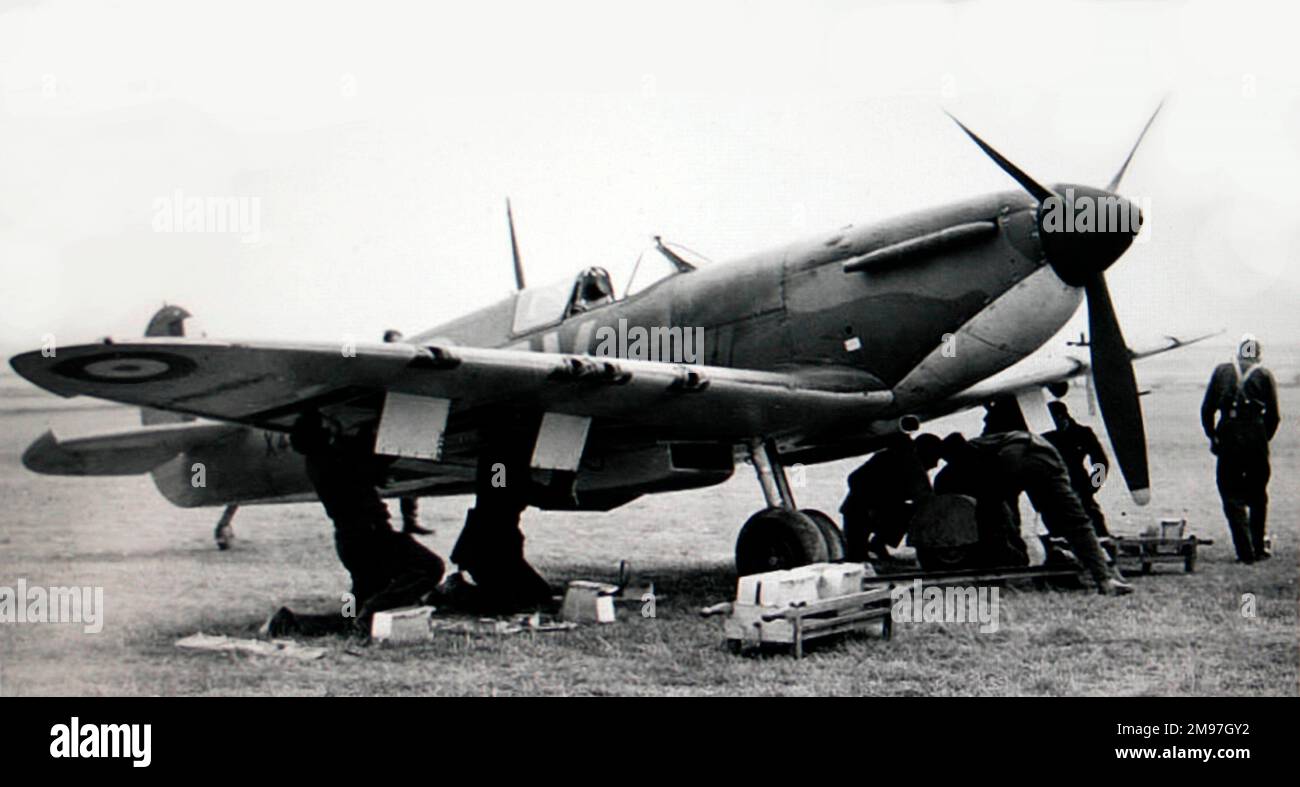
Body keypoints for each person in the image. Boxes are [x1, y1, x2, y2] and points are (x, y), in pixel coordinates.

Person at [267, 412, 447, 637]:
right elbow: (369, 459)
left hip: (354, 539)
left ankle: (292, 623)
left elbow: (363, 462)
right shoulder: (333, 459)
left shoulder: (320, 460)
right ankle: (370, 614)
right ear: (322, 434)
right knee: (430, 567)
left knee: (352, 613)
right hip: (371, 537)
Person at [937, 431, 1133, 595]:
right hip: (1057, 477)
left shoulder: (1079, 433)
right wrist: (1091, 487)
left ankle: (1011, 564)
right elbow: (1100, 463)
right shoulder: (1066, 434)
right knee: (1075, 523)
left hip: (1071, 484)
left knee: (1081, 521)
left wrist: (1093, 485)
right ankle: (1100, 575)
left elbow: (1100, 464)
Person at [1201, 335, 1281, 563]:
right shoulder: (1264, 375)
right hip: (1256, 435)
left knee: (1230, 494)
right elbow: (1274, 416)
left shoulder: (1221, 371)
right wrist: (1262, 439)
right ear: (1258, 355)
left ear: (1238, 353)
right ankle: (1258, 548)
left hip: (1228, 435)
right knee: (1257, 494)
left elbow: (1207, 409)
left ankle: (1244, 551)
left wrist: (1213, 437)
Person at [840, 433, 940, 561]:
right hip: (859, 511)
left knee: (858, 554)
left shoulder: (905, 462)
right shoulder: (906, 463)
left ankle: (877, 545)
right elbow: (855, 479)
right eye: (934, 457)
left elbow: (923, 496)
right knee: (856, 555)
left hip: (868, 509)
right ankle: (873, 546)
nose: (935, 464)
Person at [382, 328, 433, 536]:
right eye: (396, 344)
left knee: (408, 477)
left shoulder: (405, 366)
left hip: (406, 423)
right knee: (389, 474)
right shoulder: (385, 366)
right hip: (391, 425)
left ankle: (410, 522)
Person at [1042, 400, 1111, 537]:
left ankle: (1102, 541)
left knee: (1092, 517)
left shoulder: (1082, 433)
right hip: (1053, 484)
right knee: (1053, 521)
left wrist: (1093, 486)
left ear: (1062, 417)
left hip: (1079, 483)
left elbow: (1101, 462)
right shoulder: (1046, 435)